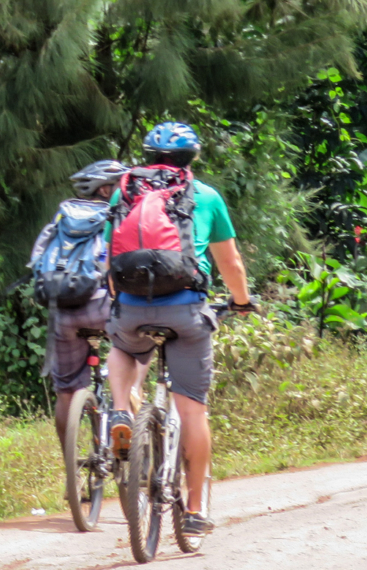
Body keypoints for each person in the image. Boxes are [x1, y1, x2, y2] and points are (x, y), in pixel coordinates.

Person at [104, 122, 257, 538]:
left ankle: (120, 408)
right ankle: (193, 509)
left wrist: (124, 303)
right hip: (186, 310)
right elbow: (231, 264)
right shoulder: (205, 195)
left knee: (123, 346)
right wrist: (241, 302)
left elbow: (110, 262)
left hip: (133, 307)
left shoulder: (124, 192)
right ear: (191, 159)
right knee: (192, 409)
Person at [30, 160, 129, 439]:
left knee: (67, 392)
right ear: (108, 189)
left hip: (64, 310)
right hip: (104, 306)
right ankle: (129, 436)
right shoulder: (118, 216)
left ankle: (71, 472)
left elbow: (36, 259)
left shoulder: (63, 217)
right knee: (133, 364)